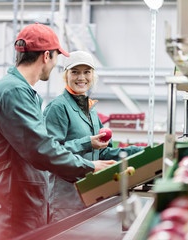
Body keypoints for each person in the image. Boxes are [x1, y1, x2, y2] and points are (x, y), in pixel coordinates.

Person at [0, 24, 116, 240]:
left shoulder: (20, 91)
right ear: (46, 56)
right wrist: (89, 166)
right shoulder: (14, 91)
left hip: (23, 203)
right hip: (14, 206)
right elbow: (41, 148)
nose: (54, 65)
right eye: (56, 58)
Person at [43, 50, 145, 223]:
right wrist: (87, 143)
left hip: (91, 197)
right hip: (66, 200)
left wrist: (141, 152)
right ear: (66, 75)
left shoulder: (90, 109)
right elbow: (50, 153)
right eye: (75, 72)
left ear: (93, 76)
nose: (81, 77)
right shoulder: (58, 107)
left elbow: (103, 154)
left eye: (86, 72)